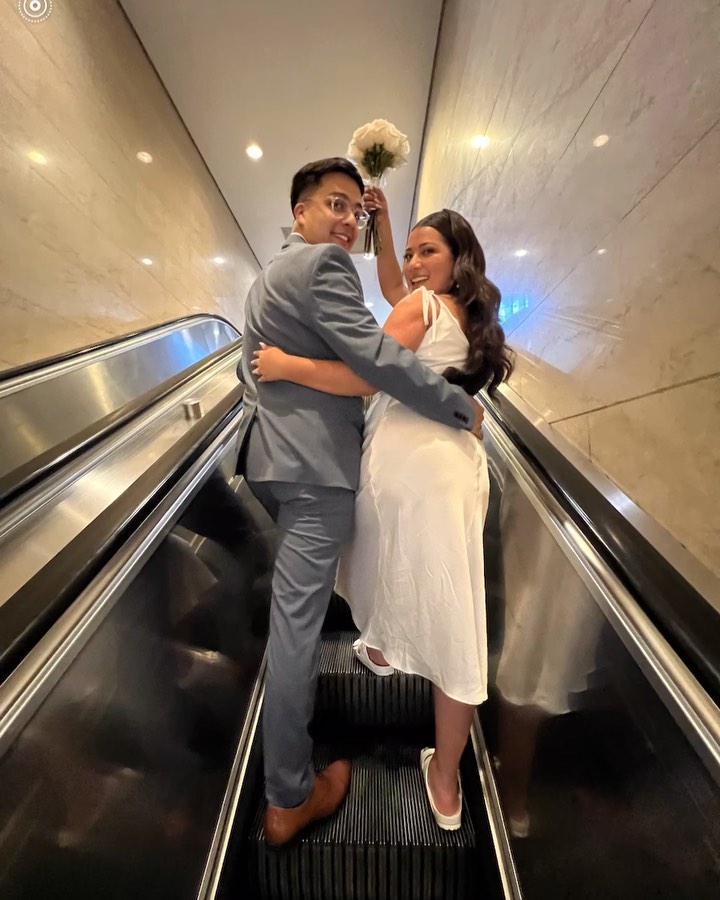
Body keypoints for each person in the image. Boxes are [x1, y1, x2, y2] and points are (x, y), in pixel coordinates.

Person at [236, 159, 485, 846]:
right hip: (316, 467)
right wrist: (458, 406)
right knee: (296, 630)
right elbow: (378, 363)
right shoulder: (322, 266)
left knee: (300, 617)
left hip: (277, 461)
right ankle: (288, 795)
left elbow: (251, 369)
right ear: (300, 213)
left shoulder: (267, 278)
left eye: (355, 209)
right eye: (334, 205)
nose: (348, 220)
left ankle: (373, 651)